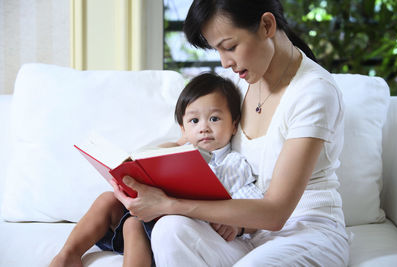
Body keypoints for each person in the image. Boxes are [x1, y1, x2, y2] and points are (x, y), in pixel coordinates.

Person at [112, 0, 351, 266]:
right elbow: (187, 143)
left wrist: (170, 204)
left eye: (230, 47)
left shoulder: (313, 92)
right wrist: (138, 166)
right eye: (218, 50)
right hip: (245, 232)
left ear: (267, 25)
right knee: (171, 230)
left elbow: (275, 214)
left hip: (305, 230)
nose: (225, 62)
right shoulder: (239, 84)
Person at [49, 72, 263, 267]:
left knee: (132, 225)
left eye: (214, 119)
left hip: (175, 233)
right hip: (145, 216)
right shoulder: (175, 151)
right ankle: (68, 255)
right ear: (183, 128)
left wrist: (238, 226)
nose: (204, 127)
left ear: (234, 125)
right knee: (107, 200)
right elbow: (150, 159)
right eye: (194, 121)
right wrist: (180, 144)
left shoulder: (233, 164)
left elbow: (256, 210)